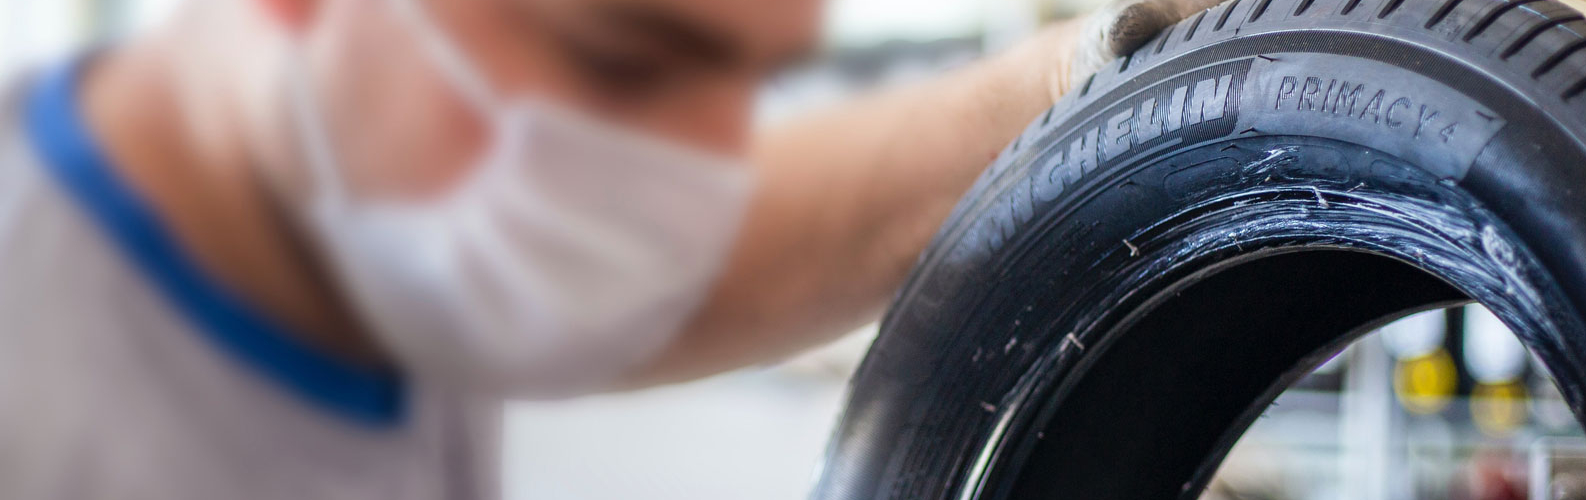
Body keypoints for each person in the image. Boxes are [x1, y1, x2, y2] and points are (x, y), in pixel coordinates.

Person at [0, 0, 1214, 497]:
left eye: (734, 78)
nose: (672, 167)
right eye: (619, 62)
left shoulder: (360, 241)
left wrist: (1089, 72)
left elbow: (732, 254)